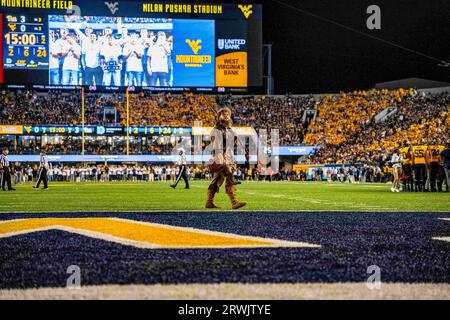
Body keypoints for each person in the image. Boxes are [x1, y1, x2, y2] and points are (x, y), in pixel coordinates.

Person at [205, 107, 246, 209]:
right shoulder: (217, 130)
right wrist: (222, 160)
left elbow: (230, 145)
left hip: (228, 157)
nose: (226, 115)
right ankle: (234, 202)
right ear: (219, 117)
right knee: (228, 178)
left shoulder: (228, 130)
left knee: (218, 179)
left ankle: (209, 202)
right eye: (223, 114)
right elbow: (216, 147)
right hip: (221, 158)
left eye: (228, 114)